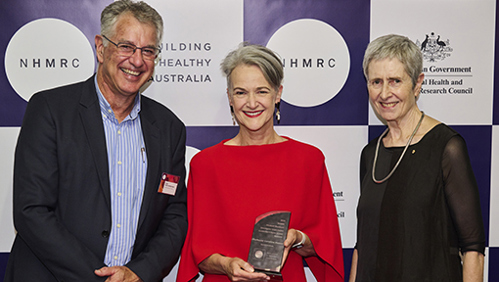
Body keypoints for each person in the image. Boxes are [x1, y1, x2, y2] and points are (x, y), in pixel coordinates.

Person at [5, 1, 188, 281]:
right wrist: (98, 278)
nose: (137, 61)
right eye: (126, 46)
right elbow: (31, 210)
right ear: (101, 48)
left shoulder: (169, 128)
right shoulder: (50, 110)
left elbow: (174, 216)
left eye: (148, 51)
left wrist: (139, 272)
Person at [176, 43, 344, 282]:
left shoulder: (309, 160)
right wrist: (226, 265)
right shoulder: (205, 164)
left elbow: (324, 249)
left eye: (262, 91)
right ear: (230, 98)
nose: (251, 103)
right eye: (241, 92)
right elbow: (198, 255)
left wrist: (297, 238)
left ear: (278, 94)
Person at [349, 34, 485, 281]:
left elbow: (473, 247)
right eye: (376, 82)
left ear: (417, 83)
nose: (384, 93)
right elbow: (363, 245)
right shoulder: (370, 153)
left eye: (395, 81)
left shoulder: (447, 147)